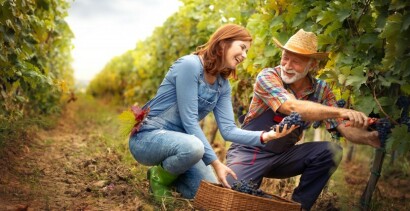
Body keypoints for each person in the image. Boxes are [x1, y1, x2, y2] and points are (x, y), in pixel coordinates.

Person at [128, 24, 298, 203]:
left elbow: (228, 130)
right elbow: (190, 121)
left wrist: (266, 136)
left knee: (207, 197)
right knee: (194, 147)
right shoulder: (190, 65)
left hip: (182, 144)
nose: (245, 55)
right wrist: (216, 163)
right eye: (242, 47)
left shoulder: (222, 85)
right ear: (224, 42)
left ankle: (172, 173)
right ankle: (159, 177)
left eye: (247, 51)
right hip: (148, 138)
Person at [225, 29, 381, 210]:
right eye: (285, 58)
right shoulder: (268, 76)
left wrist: (368, 138)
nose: (287, 65)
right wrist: (340, 111)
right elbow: (291, 106)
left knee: (331, 151)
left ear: (312, 65)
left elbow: (344, 129)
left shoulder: (322, 90)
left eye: (296, 62)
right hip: (250, 151)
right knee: (231, 193)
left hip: (283, 156)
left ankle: (298, 206)